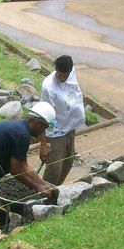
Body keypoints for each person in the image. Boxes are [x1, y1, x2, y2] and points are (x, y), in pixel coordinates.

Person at [0, 101, 60, 233]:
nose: (43, 132)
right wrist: (37, 187)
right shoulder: (21, 135)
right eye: (44, 127)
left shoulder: (20, 129)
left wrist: (43, 183)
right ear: (38, 123)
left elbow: (24, 165)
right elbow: (16, 170)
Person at [39, 54, 86, 185]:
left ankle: (55, 191)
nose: (62, 78)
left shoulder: (72, 72)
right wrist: (43, 145)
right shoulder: (48, 86)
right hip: (54, 132)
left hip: (70, 127)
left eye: (65, 75)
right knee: (54, 168)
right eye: (60, 75)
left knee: (68, 163)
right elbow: (43, 115)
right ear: (55, 69)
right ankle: (43, 196)